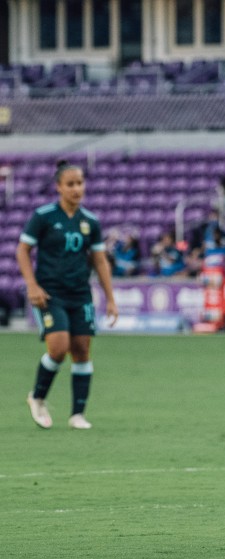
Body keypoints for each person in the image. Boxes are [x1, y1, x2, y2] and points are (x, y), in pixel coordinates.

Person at [16, 160, 118, 430]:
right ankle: (37, 397)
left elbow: (99, 261)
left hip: (80, 293)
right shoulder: (43, 216)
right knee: (59, 348)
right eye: (70, 184)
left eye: (80, 183)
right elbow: (22, 251)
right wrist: (32, 285)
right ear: (59, 187)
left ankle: (77, 415)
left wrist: (110, 298)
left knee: (82, 350)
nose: (76, 189)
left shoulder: (90, 221)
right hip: (50, 293)